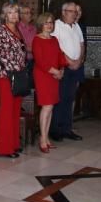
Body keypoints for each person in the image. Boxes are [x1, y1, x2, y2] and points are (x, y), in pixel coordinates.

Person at [0, 2, 27, 158]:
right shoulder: (0, 32)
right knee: (6, 109)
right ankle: (4, 148)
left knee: (16, 109)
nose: (14, 15)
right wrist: (5, 70)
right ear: (5, 15)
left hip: (18, 75)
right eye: (10, 12)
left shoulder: (18, 30)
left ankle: (14, 144)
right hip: (4, 76)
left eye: (16, 12)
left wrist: (20, 68)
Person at [32, 12, 65, 153]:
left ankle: (46, 138)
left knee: (50, 107)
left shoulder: (55, 39)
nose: (49, 25)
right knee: (47, 106)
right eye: (46, 22)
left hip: (55, 76)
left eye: (51, 22)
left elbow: (60, 56)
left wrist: (61, 69)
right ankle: (42, 139)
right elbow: (40, 61)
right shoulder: (36, 40)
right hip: (43, 75)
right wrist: (55, 71)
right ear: (41, 24)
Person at [51, 2, 84, 142]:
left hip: (76, 68)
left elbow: (82, 44)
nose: (74, 14)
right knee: (60, 99)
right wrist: (70, 61)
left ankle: (67, 129)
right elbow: (55, 47)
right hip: (63, 68)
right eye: (71, 11)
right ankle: (55, 130)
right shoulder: (56, 25)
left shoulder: (76, 26)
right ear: (64, 12)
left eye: (75, 12)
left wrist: (80, 60)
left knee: (70, 99)